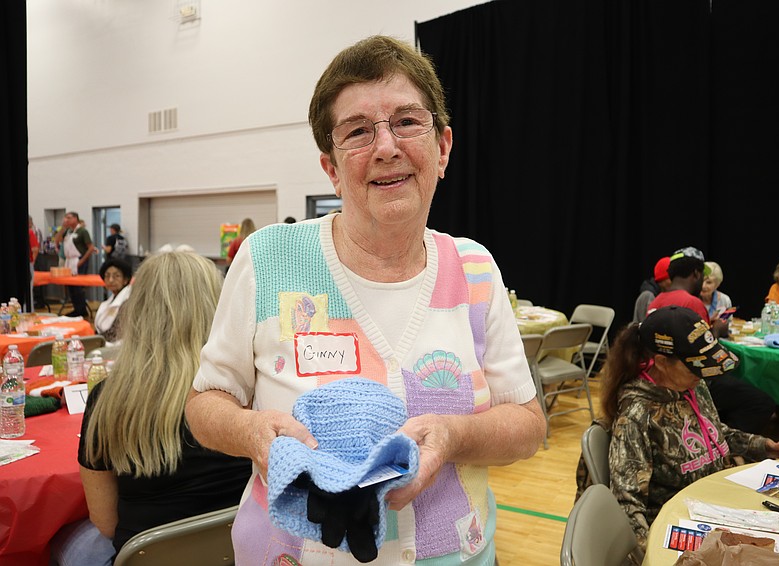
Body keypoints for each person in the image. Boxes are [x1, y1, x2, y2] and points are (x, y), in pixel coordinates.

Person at [185, 35, 546, 565]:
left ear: (442, 147)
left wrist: (453, 435)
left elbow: (528, 423)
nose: (385, 147)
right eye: (357, 132)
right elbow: (203, 405)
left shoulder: (473, 269)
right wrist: (251, 432)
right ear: (331, 168)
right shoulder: (268, 259)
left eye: (406, 122)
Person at [51, 251, 253, 565]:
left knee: (62, 538)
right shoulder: (249, 394)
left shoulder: (108, 399)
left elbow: (105, 522)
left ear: (138, 310)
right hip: (239, 552)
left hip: (147, 556)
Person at [603, 306, 779, 552]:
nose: (702, 375)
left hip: (714, 510)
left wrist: (761, 445)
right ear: (660, 362)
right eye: (695, 367)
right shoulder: (636, 415)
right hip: (676, 530)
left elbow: (714, 432)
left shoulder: (693, 386)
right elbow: (627, 505)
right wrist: (653, 555)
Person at [649, 246, 776, 434]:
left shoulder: (656, 300)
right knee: (761, 402)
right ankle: (722, 443)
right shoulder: (692, 303)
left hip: (661, 378)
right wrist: (716, 330)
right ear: (695, 274)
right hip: (689, 381)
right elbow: (704, 355)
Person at [53, 212, 96, 317]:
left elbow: (90, 248)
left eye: (69, 217)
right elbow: (57, 240)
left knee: (78, 287)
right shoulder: (67, 231)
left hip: (78, 260)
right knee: (70, 286)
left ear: (76, 218)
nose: (66, 219)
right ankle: (76, 308)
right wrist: (62, 228)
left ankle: (81, 310)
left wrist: (82, 261)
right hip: (69, 260)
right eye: (65, 217)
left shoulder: (82, 231)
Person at [94, 258, 132, 344]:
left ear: (125, 280)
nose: (110, 280)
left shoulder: (128, 301)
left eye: (116, 276)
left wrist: (94, 341)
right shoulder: (110, 300)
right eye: (107, 276)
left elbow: (114, 334)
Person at [632, 256, 671, 323]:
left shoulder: (665, 295)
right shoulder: (648, 296)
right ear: (663, 279)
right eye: (671, 279)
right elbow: (646, 327)